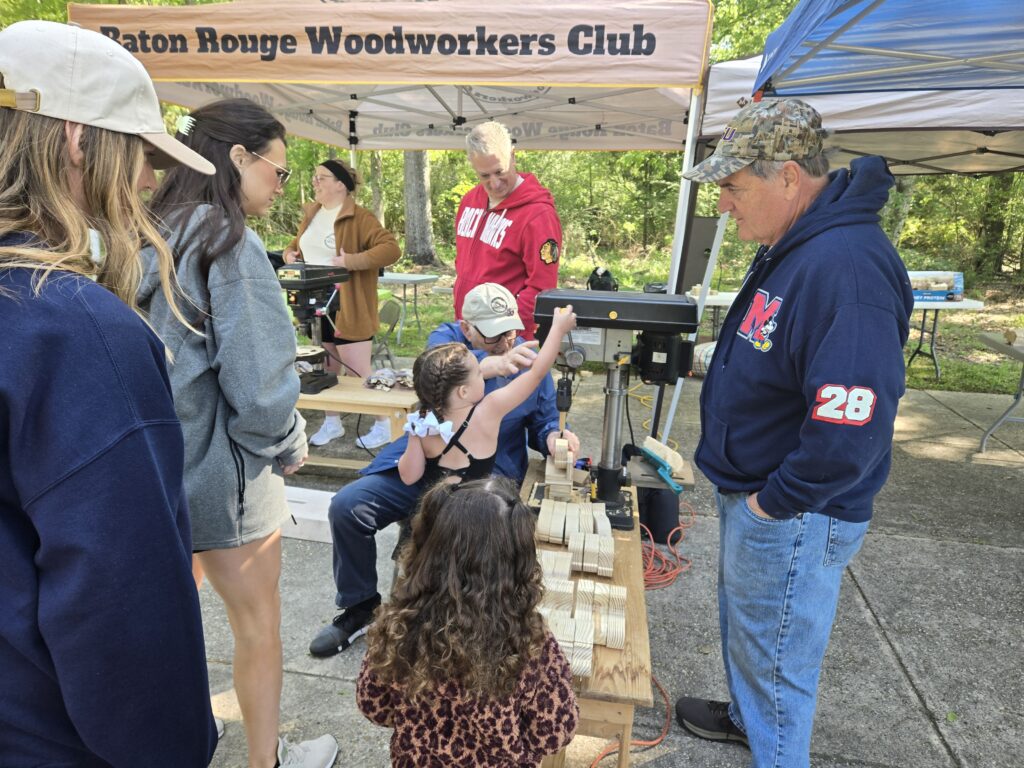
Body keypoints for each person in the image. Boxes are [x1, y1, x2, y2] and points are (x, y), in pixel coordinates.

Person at [0, 20, 218, 767]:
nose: (149, 180)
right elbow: (124, 607)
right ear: (75, 140)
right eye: (142, 153)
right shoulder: (75, 333)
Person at [672, 100, 914, 768]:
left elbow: (850, 426)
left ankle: (772, 741)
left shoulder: (847, 267)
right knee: (754, 637)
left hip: (794, 509)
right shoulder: (797, 243)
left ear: (786, 175)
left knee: (778, 666)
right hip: (765, 494)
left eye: (733, 187)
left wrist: (771, 505)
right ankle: (748, 718)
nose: (724, 205)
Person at [139, 99, 337, 768]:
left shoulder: (148, 228)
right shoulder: (230, 242)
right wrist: (289, 439)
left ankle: (192, 736)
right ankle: (266, 760)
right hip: (225, 477)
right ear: (238, 157)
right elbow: (258, 386)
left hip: (159, 466)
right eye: (280, 171)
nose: (282, 187)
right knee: (258, 626)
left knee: (174, 621)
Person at [308, 283, 581, 657]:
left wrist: (553, 437)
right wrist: (485, 365)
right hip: (424, 463)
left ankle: (470, 622)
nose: (507, 341)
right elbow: (432, 365)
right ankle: (360, 607)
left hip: (484, 478)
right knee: (348, 507)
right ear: (467, 327)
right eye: (494, 333)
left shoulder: (526, 359)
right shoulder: (447, 340)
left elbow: (545, 419)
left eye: (511, 329)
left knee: (474, 535)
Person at [356, 478, 579, 766]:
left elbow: (374, 706)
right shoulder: (529, 644)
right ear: (517, 562)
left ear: (429, 546)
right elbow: (554, 732)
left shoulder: (398, 626)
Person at [284, 159, 400, 450]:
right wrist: (290, 253)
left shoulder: (360, 217)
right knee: (326, 368)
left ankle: (383, 425)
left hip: (350, 304)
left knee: (359, 370)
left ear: (340, 185)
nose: (315, 182)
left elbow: (391, 249)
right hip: (316, 302)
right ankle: (332, 422)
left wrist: (352, 261)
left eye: (321, 177)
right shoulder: (312, 213)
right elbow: (297, 244)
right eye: (315, 177)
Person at [398, 301, 577, 487]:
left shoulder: (423, 426)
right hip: (481, 503)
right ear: (463, 391)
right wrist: (558, 330)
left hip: (439, 504)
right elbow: (536, 373)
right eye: (479, 373)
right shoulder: (488, 411)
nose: (485, 375)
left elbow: (409, 476)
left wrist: (414, 433)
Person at [453, 121, 562, 338]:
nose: (494, 183)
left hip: (506, 339)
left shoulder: (538, 215)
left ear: (513, 156)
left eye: (499, 171)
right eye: (484, 176)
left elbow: (541, 287)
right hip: (468, 329)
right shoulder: (469, 201)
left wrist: (503, 334)